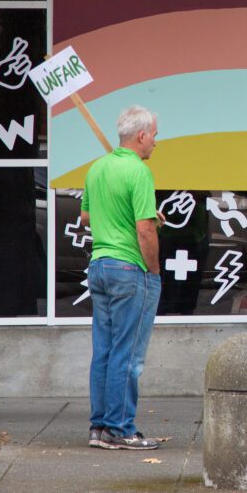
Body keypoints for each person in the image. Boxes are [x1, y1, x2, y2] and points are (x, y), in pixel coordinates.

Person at [82, 105, 165, 450]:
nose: (156, 143)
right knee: (128, 355)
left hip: (100, 265)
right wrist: (154, 271)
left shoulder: (97, 168)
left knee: (104, 350)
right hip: (130, 268)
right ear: (142, 135)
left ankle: (100, 427)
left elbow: (87, 217)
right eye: (155, 135)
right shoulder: (139, 173)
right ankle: (120, 427)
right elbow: (145, 229)